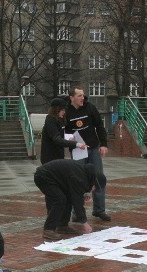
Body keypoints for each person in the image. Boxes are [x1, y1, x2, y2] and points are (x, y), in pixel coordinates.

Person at [64, 86, 111, 221]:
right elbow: (64, 132)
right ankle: (77, 213)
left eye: (83, 95)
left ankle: (99, 210)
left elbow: (99, 126)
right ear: (71, 98)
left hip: (93, 147)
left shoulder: (90, 107)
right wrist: (70, 140)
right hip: (78, 150)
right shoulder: (67, 111)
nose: (82, 98)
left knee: (99, 177)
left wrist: (103, 144)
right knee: (78, 180)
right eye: (79, 96)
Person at [34, 159, 99, 240]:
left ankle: (62, 225)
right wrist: (84, 223)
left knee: (68, 198)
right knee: (60, 200)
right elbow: (77, 202)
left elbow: (74, 194)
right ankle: (48, 229)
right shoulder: (78, 178)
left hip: (54, 178)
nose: (93, 190)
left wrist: (85, 192)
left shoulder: (82, 172)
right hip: (43, 177)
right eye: (94, 187)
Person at [40, 97, 86, 164]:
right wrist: (76, 144)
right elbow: (57, 138)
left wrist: (69, 139)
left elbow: (61, 137)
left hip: (58, 156)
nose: (64, 112)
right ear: (56, 110)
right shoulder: (50, 120)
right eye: (62, 110)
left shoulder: (60, 120)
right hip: (49, 158)